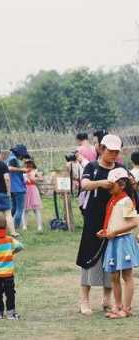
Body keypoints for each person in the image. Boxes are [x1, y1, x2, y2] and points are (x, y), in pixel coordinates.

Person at [76, 134, 123, 316]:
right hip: (93, 219)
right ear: (102, 149)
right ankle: (84, 301)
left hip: (114, 219)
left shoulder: (120, 168)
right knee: (88, 257)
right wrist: (101, 183)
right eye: (110, 151)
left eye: (116, 152)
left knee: (111, 260)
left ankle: (106, 300)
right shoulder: (92, 167)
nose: (113, 155)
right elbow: (85, 184)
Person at [97, 168, 139, 318]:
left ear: (121, 184)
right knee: (114, 276)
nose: (109, 187)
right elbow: (113, 221)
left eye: (112, 184)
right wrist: (106, 231)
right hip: (113, 241)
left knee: (127, 275)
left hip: (123, 241)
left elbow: (134, 222)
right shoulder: (113, 200)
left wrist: (115, 232)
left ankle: (126, 309)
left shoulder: (126, 200)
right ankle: (118, 305)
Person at [0, 147, 18, 238]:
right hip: (3, 193)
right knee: (7, 213)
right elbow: (7, 179)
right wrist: (9, 192)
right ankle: (13, 232)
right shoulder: (3, 165)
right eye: (1, 154)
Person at [6, 144, 30, 231]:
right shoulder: (12, 159)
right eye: (22, 155)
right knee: (20, 209)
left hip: (11, 188)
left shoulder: (9, 158)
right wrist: (22, 170)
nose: (22, 157)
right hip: (18, 188)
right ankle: (15, 228)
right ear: (19, 153)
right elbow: (9, 168)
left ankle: (7, 225)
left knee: (13, 208)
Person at [23, 159, 43, 232]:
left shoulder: (35, 171)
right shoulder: (23, 171)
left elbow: (41, 179)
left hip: (33, 189)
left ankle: (39, 226)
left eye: (29, 163)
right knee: (25, 209)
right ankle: (24, 225)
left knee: (36, 209)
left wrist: (34, 178)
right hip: (25, 189)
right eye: (26, 163)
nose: (28, 165)